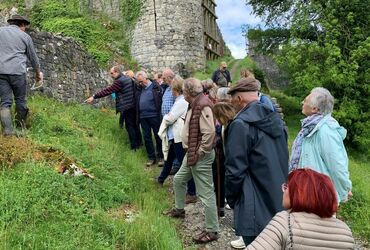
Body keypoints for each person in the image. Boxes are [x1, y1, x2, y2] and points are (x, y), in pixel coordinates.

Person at [224, 77, 289, 246]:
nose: (231, 103)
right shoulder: (276, 119)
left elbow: (234, 169)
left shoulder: (240, 124)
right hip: (278, 197)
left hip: (253, 203)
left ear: (239, 99)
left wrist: (231, 198)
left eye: (232, 98)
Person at [245, 168, 354, 249]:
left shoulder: (285, 221)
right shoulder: (345, 231)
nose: (283, 190)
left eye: (287, 187)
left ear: (298, 193)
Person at [166, 78, 219, 244]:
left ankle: (212, 230)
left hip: (199, 156)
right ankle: (179, 209)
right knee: (178, 179)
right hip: (192, 154)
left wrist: (200, 152)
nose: (182, 93)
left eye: (183, 91)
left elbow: (210, 133)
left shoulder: (202, 104)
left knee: (206, 194)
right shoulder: (195, 102)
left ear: (188, 92)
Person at [290, 87, 352, 203]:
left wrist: (345, 189)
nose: (302, 102)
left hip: (318, 199)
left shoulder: (326, 131)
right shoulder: (309, 127)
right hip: (303, 193)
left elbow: (337, 165)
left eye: (306, 101)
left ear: (314, 109)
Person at [0, 15, 41, 136]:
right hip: (18, 73)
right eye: (25, 26)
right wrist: (38, 73)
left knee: (5, 102)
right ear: (22, 25)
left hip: (1, 72)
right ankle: (20, 128)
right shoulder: (25, 36)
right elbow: (33, 58)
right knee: (20, 100)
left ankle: (8, 131)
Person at [85, 66, 141, 150]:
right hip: (134, 105)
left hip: (127, 106)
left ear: (116, 72)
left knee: (130, 127)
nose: (111, 75)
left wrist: (94, 96)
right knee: (135, 125)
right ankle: (140, 144)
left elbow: (108, 90)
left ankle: (134, 147)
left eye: (112, 73)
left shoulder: (119, 81)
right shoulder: (127, 78)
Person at [135, 71, 164, 166]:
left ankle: (161, 157)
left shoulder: (156, 87)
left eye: (141, 81)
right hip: (143, 117)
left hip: (154, 116)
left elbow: (160, 101)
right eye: (138, 82)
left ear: (146, 78)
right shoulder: (139, 89)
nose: (139, 83)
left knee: (158, 136)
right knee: (147, 137)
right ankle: (151, 157)